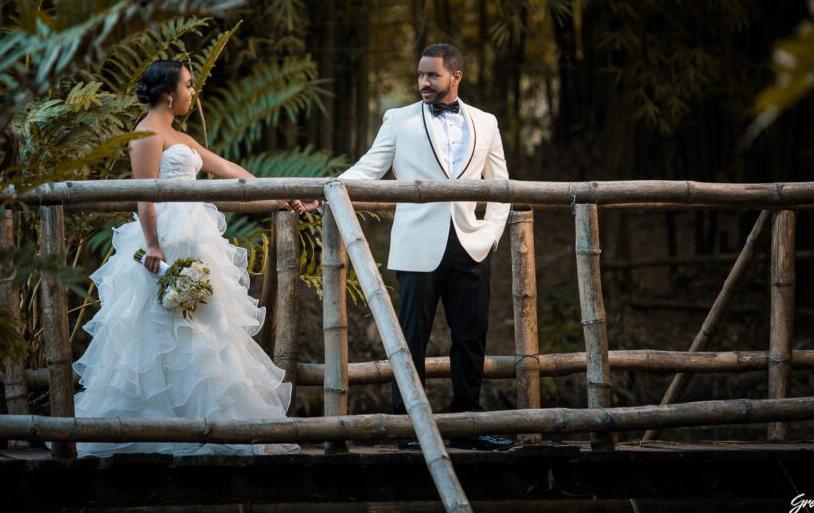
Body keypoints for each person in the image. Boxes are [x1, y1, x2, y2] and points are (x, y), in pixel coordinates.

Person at [71, 59, 309, 457]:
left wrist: (282, 194)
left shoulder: (177, 134)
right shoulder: (147, 133)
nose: (193, 92)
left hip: (196, 234)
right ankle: (154, 425)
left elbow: (227, 168)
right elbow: (144, 192)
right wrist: (152, 244)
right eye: (188, 85)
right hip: (164, 234)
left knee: (205, 324)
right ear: (168, 93)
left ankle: (214, 420)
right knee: (161, 326)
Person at [338, 43, 513, 451]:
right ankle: (407, 426)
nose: (423, 83)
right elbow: (369, 168)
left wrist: (489, 235)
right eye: (420, 75)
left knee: (471, 337)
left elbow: (502, 186)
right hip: (416, 247)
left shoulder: (486, 122)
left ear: (456, 76)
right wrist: (323, 191)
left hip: (471, 246)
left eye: (432, 76)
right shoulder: (398, 120)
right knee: (411, 338)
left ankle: (466, 424)